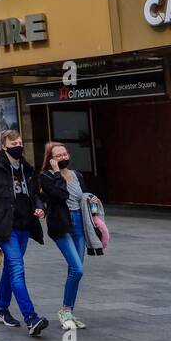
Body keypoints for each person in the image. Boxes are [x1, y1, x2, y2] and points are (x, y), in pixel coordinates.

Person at [0, 129, 49, 337]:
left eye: (20, 142)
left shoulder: (27, 169)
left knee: (11, 268)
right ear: (4, 146)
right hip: (5, 228)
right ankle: (31, 318)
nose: (18, 146)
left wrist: (40, 207)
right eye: (14, 143)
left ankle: (1, 309)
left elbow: (36, 194)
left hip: (24, 226)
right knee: (18, 269)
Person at [38, 141, 104, 330]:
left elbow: (82, 197)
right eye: (58, 156)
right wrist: (57, 172)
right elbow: (60, 195)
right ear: (50, 159)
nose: (63, 158)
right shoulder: (46, 177)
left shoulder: (77, 175)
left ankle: (68, 311)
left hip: (79, 224)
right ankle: (65, 311)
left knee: (73, 270)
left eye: (65, 154)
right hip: (61, 225)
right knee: (77, 269)